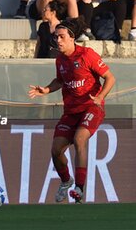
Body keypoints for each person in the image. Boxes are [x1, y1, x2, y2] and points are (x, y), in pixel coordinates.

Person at [28, 17, 115, 203]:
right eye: (56, 37)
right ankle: (67, 181)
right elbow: (59, 80)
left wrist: (100, 97)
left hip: (91, 107)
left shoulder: (87, 54)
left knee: (79, 139)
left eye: (61, 37)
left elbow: (110, 78)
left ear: (71, 38)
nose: (57, 40)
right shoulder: (60, 60)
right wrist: (46, 89)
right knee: (55, 150)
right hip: (71, 111)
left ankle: (79, 188)